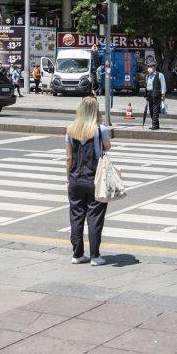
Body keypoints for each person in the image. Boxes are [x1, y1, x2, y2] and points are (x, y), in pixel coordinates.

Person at [65, 97, 111, 266]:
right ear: (95, 111)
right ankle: (95, 256)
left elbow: (69, 158)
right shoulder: (100, 129)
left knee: (76, 216)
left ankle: (77, 254)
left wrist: (68, 179)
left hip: (76, 178)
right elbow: (108, 147)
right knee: (95, 217)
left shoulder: (71, 129)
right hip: (94, 179)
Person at [145, 65, 167, 130]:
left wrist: (163, 94)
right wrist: (146, 95)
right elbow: (147, 85)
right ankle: (156, 125)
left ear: (154, 67)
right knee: (151, 110)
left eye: (150, 67)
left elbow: (163, 85)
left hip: (156, 94)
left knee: (155, 110)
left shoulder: (160, 75)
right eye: (148, 67)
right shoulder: (148, 75)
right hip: (149, 94)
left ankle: (154, 125)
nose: (149, 68)